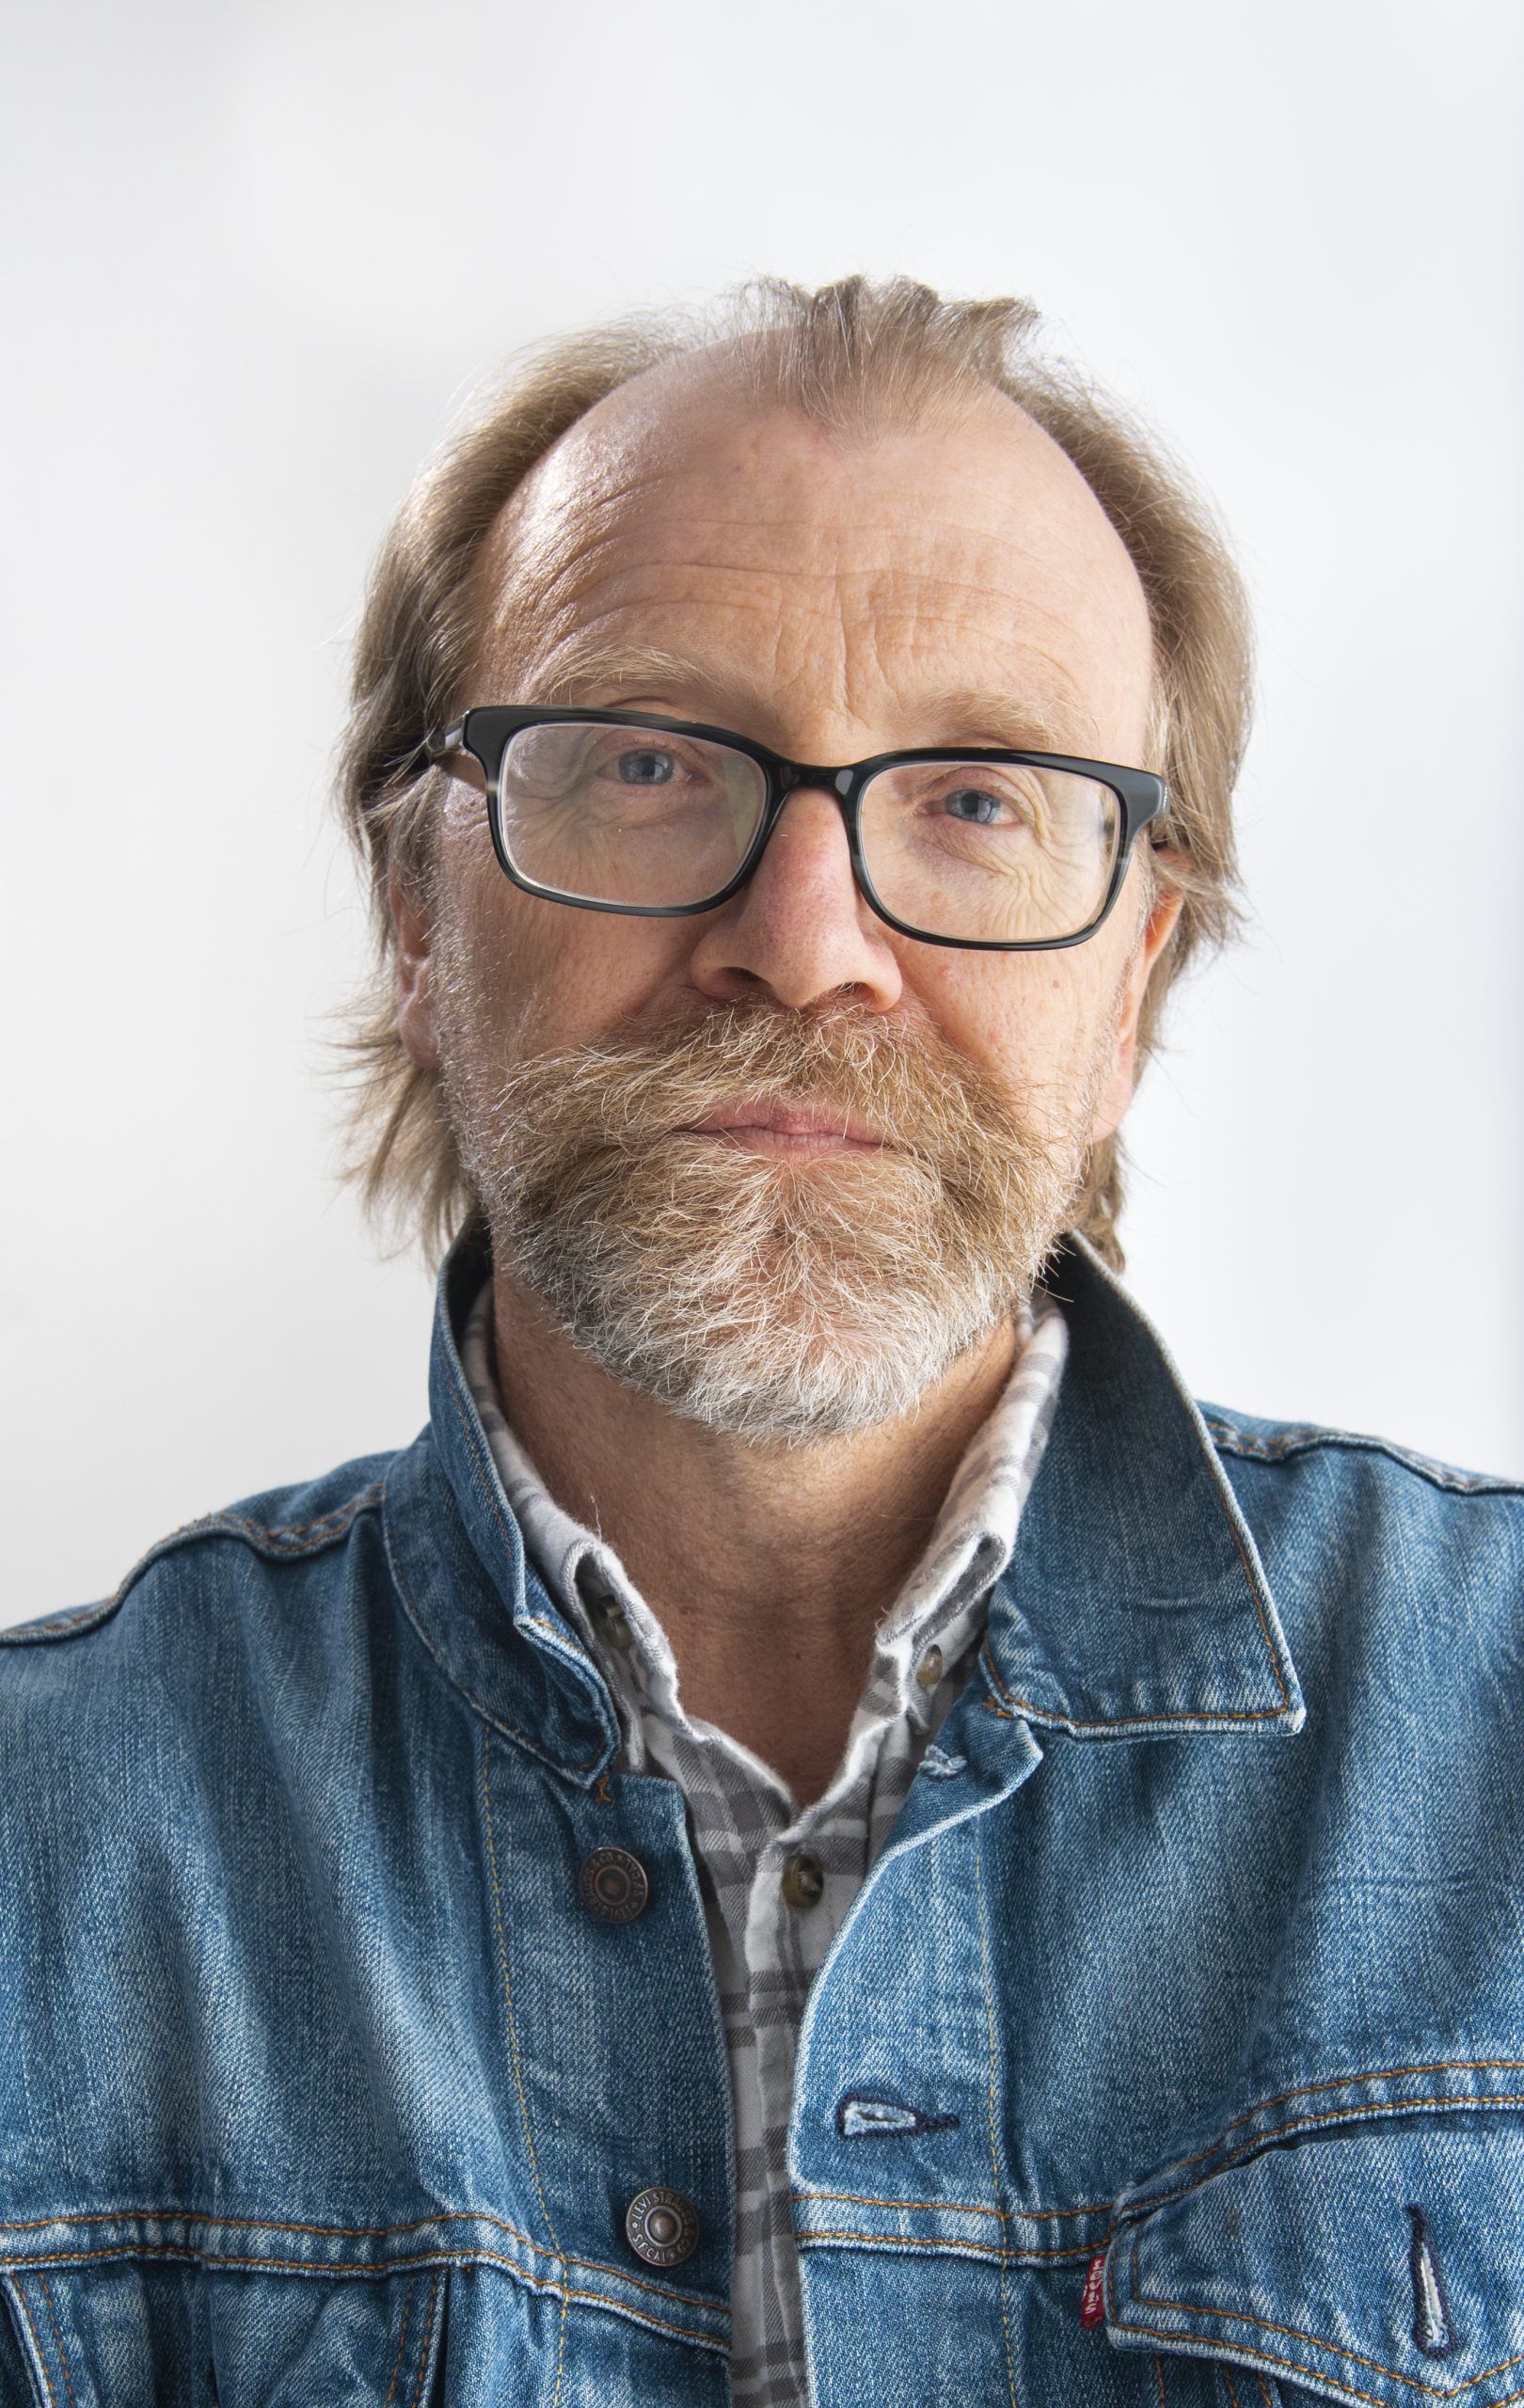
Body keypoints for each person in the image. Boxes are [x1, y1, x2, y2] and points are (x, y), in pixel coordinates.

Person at [1, 277, 1519, 2408]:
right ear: (420, 913)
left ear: (1137, 980)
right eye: (645, 761)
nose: (806, 944)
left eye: (977, 799)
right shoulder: (37, 1856)